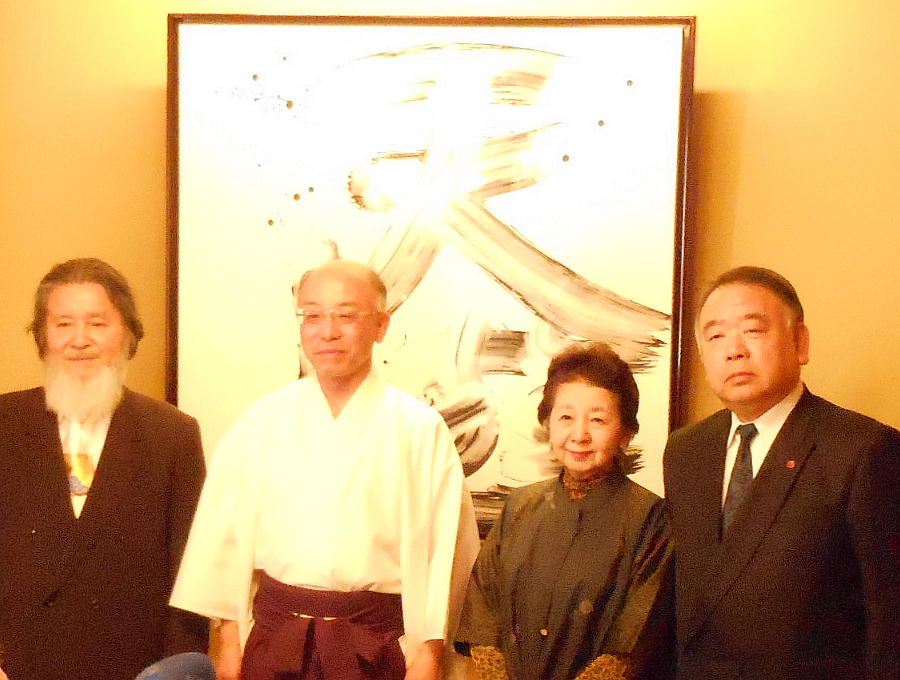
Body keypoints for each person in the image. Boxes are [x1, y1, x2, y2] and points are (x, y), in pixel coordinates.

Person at [171, 259, 479, 680]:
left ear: (381, 326)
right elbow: (222, 539)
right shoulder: (261, 422)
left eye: (346, 315)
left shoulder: (419, 429)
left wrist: (429, 654)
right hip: (275, 638)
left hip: (376, 643)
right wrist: (228, 643)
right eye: (312, 315)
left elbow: (446, 553)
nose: (327, 331)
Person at [664, 266, 900, 680]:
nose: (734, 350)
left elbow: (890, 621)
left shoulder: (863, 449)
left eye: (752, 330)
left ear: (800, 342)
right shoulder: (686, 451)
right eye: (716, 336)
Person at [0, 258, 208, 680]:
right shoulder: (6, 424)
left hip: (133, 666)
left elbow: (191, 573)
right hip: (18, 662)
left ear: (128, 333)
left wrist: (176, 671)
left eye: (97, 324)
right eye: (63, 324)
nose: (80, 340)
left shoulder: (173, 434)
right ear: (43, 336)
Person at [456, 342, 674, 680]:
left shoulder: (651, 518)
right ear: (548, 424)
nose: (579, 435)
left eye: (597, 419)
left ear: (625, 433)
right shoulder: (518, 506)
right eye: (566, 417)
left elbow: (636, 640)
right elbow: (483, 614)